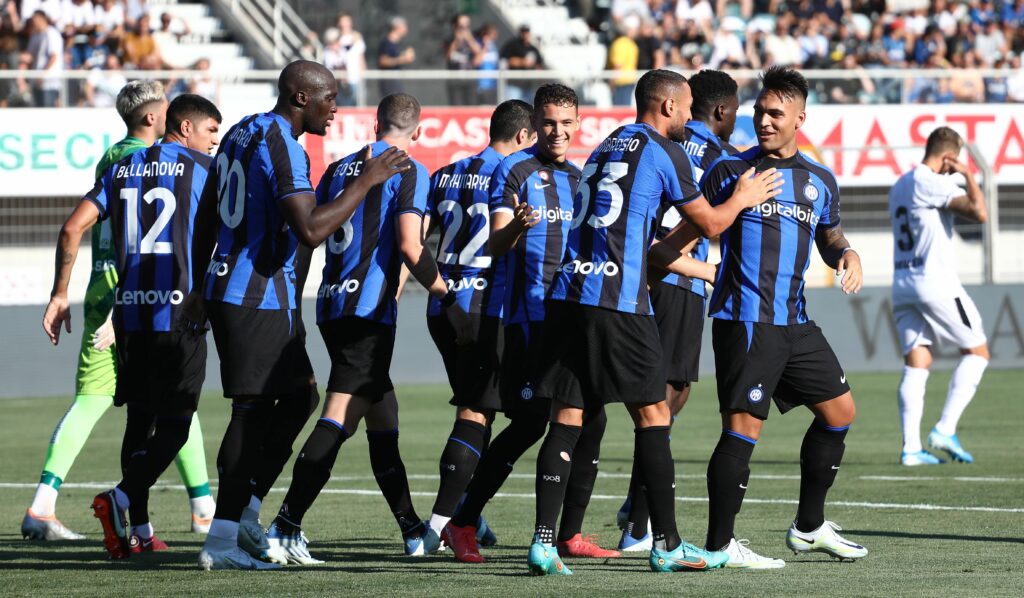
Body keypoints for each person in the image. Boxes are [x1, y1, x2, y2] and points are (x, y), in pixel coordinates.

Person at [525, 68, 780, 576]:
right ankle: (665, 543)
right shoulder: (665, 152)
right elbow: (710, 222)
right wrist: (742, 199)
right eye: (685, 106)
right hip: (619, 300)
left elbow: (636, 231)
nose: (690, 115)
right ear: (666, 107)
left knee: (567, 417)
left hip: (568, 296)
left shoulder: (603, 147)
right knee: (655, 416)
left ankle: (543, 542)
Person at [188, 60, 410, 570]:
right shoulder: (283, 143)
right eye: (329, 97)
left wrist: (200, 283)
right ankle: (221, 539)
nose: (335, 107)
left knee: (300, 396)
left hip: (253, 294)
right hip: (252, 294)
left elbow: (206, 215)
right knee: (251, 408)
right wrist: (367, 182)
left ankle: (243, 510)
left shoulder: (242, 131)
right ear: (300, 97)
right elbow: (311, 229)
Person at [265, 92, 474, 563]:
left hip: (333, 306)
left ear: (376, 124)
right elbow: (410, 244)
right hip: (368, 313)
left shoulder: (337, 168)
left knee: (384, 418)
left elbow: (309, 235)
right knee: (337, 416)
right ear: (416, 132)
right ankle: (284, 525)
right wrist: (446, 295)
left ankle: (412, 530)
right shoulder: (410, 169)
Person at [25, 80, 216, 543]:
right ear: (158, 119)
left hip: (125, 303)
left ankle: (183, 511)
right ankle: (56, 504)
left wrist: (65, 291)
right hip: (137, 299)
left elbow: (78, 227)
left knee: (143, 411)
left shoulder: (121, 162)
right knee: (158, 405)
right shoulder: (136, 159)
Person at [699, 66, 868, 567]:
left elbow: (829, 235)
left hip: (795, 321)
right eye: (759, 112)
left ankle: (809, 527)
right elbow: (692, 225)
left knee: (840, 413)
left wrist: (847, 254)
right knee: (742, 428)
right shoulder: (732, 172)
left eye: (776, 113)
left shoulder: (820, 180)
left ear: (800, 118)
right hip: (747, 318)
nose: (765, 121)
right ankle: (719, 546)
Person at [445, 84, 619, 565]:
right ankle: (462, 522)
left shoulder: (583, 179)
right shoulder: (514, 169)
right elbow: (495, 244)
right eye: (548, 123)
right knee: (527, 425)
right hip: (529, 319)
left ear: (578, 123)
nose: (558, 132)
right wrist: (520, 225)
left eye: (566, 123)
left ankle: (570, 535)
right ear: (535, 126)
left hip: (572, 314)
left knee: (592, 420)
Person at [617, 68, 741, 553]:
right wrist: (708, 271)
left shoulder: (658, 143)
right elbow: (711, 224)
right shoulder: (721, 156)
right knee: (668, 394)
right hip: (677, 276)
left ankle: (635, 505)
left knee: (659, 394)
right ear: (723, 111)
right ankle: (640, 521)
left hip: (639, 275)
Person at [420, 99, 536, 556]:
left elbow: (420, 237)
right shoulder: (511, 176)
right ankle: (441, 525)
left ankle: (468, 510)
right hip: (485, 308)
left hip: (442, 305)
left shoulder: (444, 173)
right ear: (525, 137)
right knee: (480, 412)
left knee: (476, 410)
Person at [889, 127, 989, 466]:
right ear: (949, 156)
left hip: (903, 281)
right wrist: (969, 176)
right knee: (977, 352)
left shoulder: (900, 184)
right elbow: (980, 213)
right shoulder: (932, 180)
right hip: (936, 282)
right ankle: (945, 428)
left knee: (918, 363)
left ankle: (911, 448)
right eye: (955, 160)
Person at [25, 10, 63, 107]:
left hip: (49, 81)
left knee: (47, 110)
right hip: (36, 81)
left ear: (42, 19)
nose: (34, 22)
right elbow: (29, 56)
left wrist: (42, 75)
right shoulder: (35, 35)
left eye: (35, 19)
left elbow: (54, 56)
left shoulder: (52, 33)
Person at [500, 25, 544, 102]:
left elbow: (539, 64)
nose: (525, 34)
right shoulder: (512, 45)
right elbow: (505, 60)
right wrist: (522, 62)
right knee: (512, 108)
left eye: (527, 32)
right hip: (514, 84)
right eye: (523, 32)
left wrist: (533, 65)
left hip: (527, 85)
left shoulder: (532, 48)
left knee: (527, 110)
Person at [445, 13, 481, 106]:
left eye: (467, 26)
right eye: (461, 26)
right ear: (455, 26)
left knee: (471, 105)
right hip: (455, 79)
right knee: (456, 106)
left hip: (470, 78)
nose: (464, 29)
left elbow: (478, 53)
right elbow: (448, 56)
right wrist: (457, 40)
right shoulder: (449, 39)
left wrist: (469, 39)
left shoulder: (473, 38)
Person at [377, 16, 414, 98]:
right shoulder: (386, 42)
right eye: (404, 26)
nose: (406, 29)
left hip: (395, 79)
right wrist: (403, 59)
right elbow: (383, 61)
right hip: (389, 81)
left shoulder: (397, 43)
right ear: (397, 27)